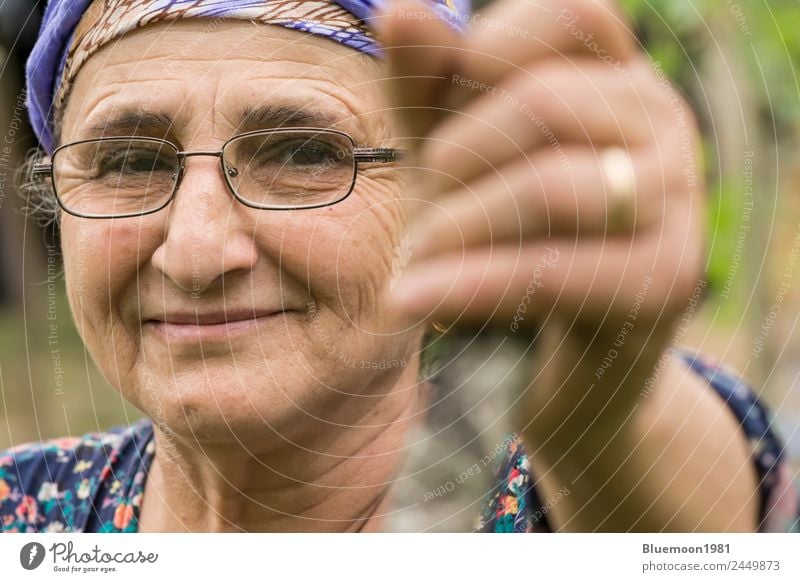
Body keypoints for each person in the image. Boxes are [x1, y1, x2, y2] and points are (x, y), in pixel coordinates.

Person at [1, 0, 797, 533]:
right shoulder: (25, 517)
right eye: (128, 162)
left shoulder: (555, 506)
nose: (197, 251)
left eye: (306, 153)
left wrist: (606, 422)